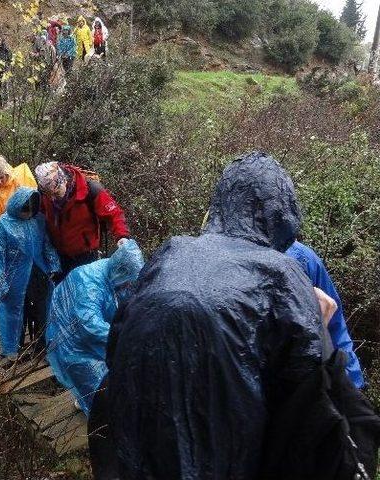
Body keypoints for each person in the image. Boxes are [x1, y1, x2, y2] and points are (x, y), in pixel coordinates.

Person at [102, 152, 328, 479]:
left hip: (139, 443)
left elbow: (117, 341)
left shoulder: (170, 252)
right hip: (228, 454)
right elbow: (306, 393)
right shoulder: (282, 272)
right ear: (280, 212)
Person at [46, 239, 144, 414]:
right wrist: (126, 337)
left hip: (93, 331)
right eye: (128, 281)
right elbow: (89, 325)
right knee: (95, 385)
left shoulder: (115, 272)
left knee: (111, 376)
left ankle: (87, 402)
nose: (129, 285)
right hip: (71, 336)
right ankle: (98, 420)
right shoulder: (89, 285)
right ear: (122, 271)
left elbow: (130, 299)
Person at [0, 187, 61, 360]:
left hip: (38, 272)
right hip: (14, 277)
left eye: (30, 210)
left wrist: (54, 266)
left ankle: (41, 345)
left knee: (43, 310)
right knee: (15, 311)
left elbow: (47, 245)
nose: (27, 215)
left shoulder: (38, 221)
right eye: (24, 210)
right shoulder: (3, 224)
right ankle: (13, 346)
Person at [287, 240, 365, 388]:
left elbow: (336, 331)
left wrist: (350, 385)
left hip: (300, 387)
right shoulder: (301, 256)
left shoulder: (302, 258)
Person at [34, 162, 130, 276]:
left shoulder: (89, 189)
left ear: (64, 180)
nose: (54, 198)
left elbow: (114, 214)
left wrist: (122, 236)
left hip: (86, 255)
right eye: (50, 195)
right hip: (59, 255)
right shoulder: (44, 195)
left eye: (57, 193)